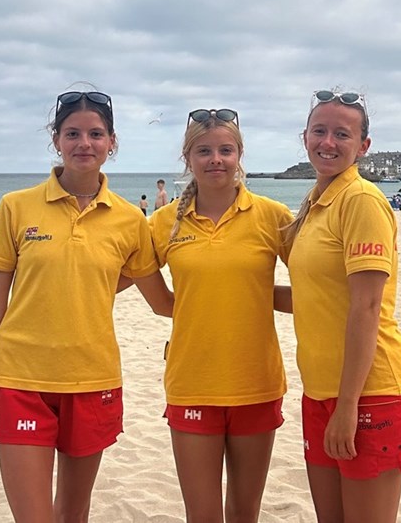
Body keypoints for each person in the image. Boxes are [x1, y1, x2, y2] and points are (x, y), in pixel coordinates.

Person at [0, 89, 173, 522]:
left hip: (93, 379)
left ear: (112, 142)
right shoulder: (16, 207)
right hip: (21, 379)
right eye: (72, 133)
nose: (84, 143)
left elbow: (162, 302)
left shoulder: (130, 219)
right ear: (56, 140)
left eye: (95, 134)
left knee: (73, 514)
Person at [275, 89, 401, 523]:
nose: (328, 142)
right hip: (320, 393)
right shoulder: (319, 204)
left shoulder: (361, 200)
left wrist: (348, 407)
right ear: (304, 138)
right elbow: (314, 298)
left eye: (342, 133)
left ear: (363, 146)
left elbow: (366, 307)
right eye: (320, 131)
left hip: (370, 395)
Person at [149, 108, 293, 523]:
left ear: (240, 155)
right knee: (203, 514)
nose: (216, 159)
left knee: (245, 512)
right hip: (192, 382)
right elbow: (128, 280)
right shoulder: (163, 223)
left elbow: (316, 286)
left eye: (225, 150)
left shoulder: (272, 216)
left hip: (257, 382)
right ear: (188, 159)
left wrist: (252, 296)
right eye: (204, 151)